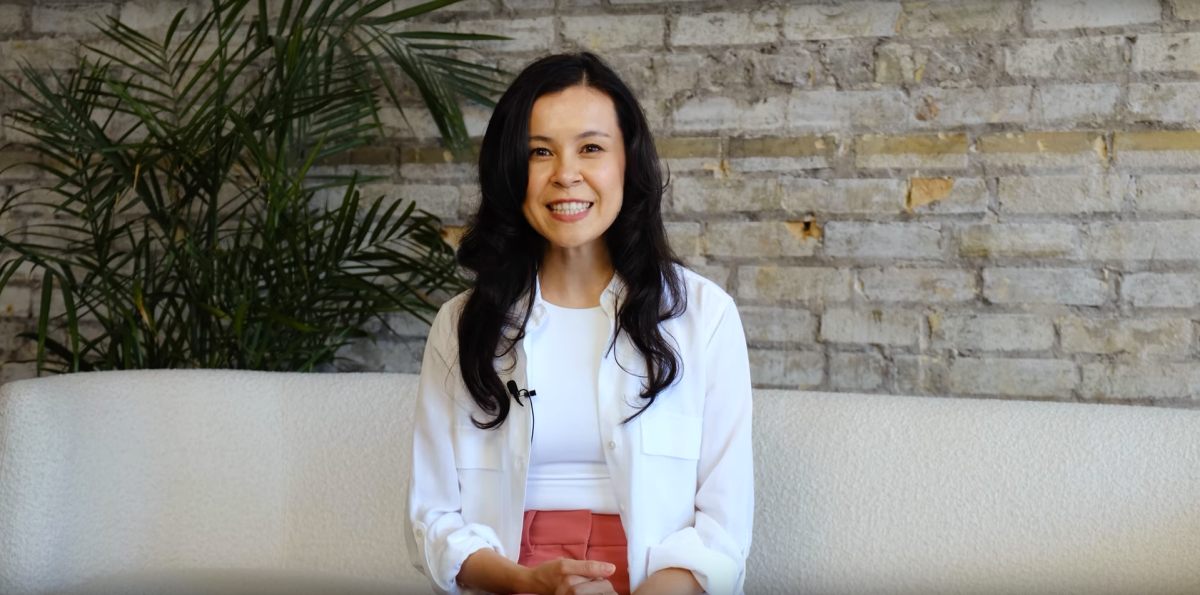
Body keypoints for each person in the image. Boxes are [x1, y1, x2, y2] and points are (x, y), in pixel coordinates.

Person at [406, 52, 753, 595]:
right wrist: (524, 583)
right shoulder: (461, 325)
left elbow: (723, 529)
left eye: (591, 148)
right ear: (511, 171)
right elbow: (432, 517)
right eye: (539, 152)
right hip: (510, 580)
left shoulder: (704, 318)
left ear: (627, 164)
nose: (565, 174)